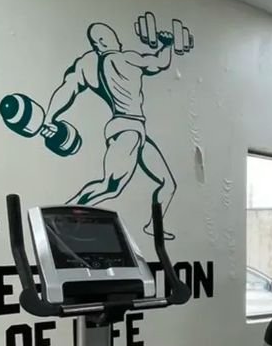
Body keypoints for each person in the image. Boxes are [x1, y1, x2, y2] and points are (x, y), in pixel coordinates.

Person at [42, 21, 181, 237]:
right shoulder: (125, 58)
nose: (118, 40)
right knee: (110, 186)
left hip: (135, 129)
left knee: (168, 184)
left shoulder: (89, 64)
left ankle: (155, 228)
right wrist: (167, 44)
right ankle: (59, 219)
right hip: (127, 128)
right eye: (112, 36)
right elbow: (160, 62)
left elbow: (67, 89)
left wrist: (50, 117)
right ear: (103, 41)